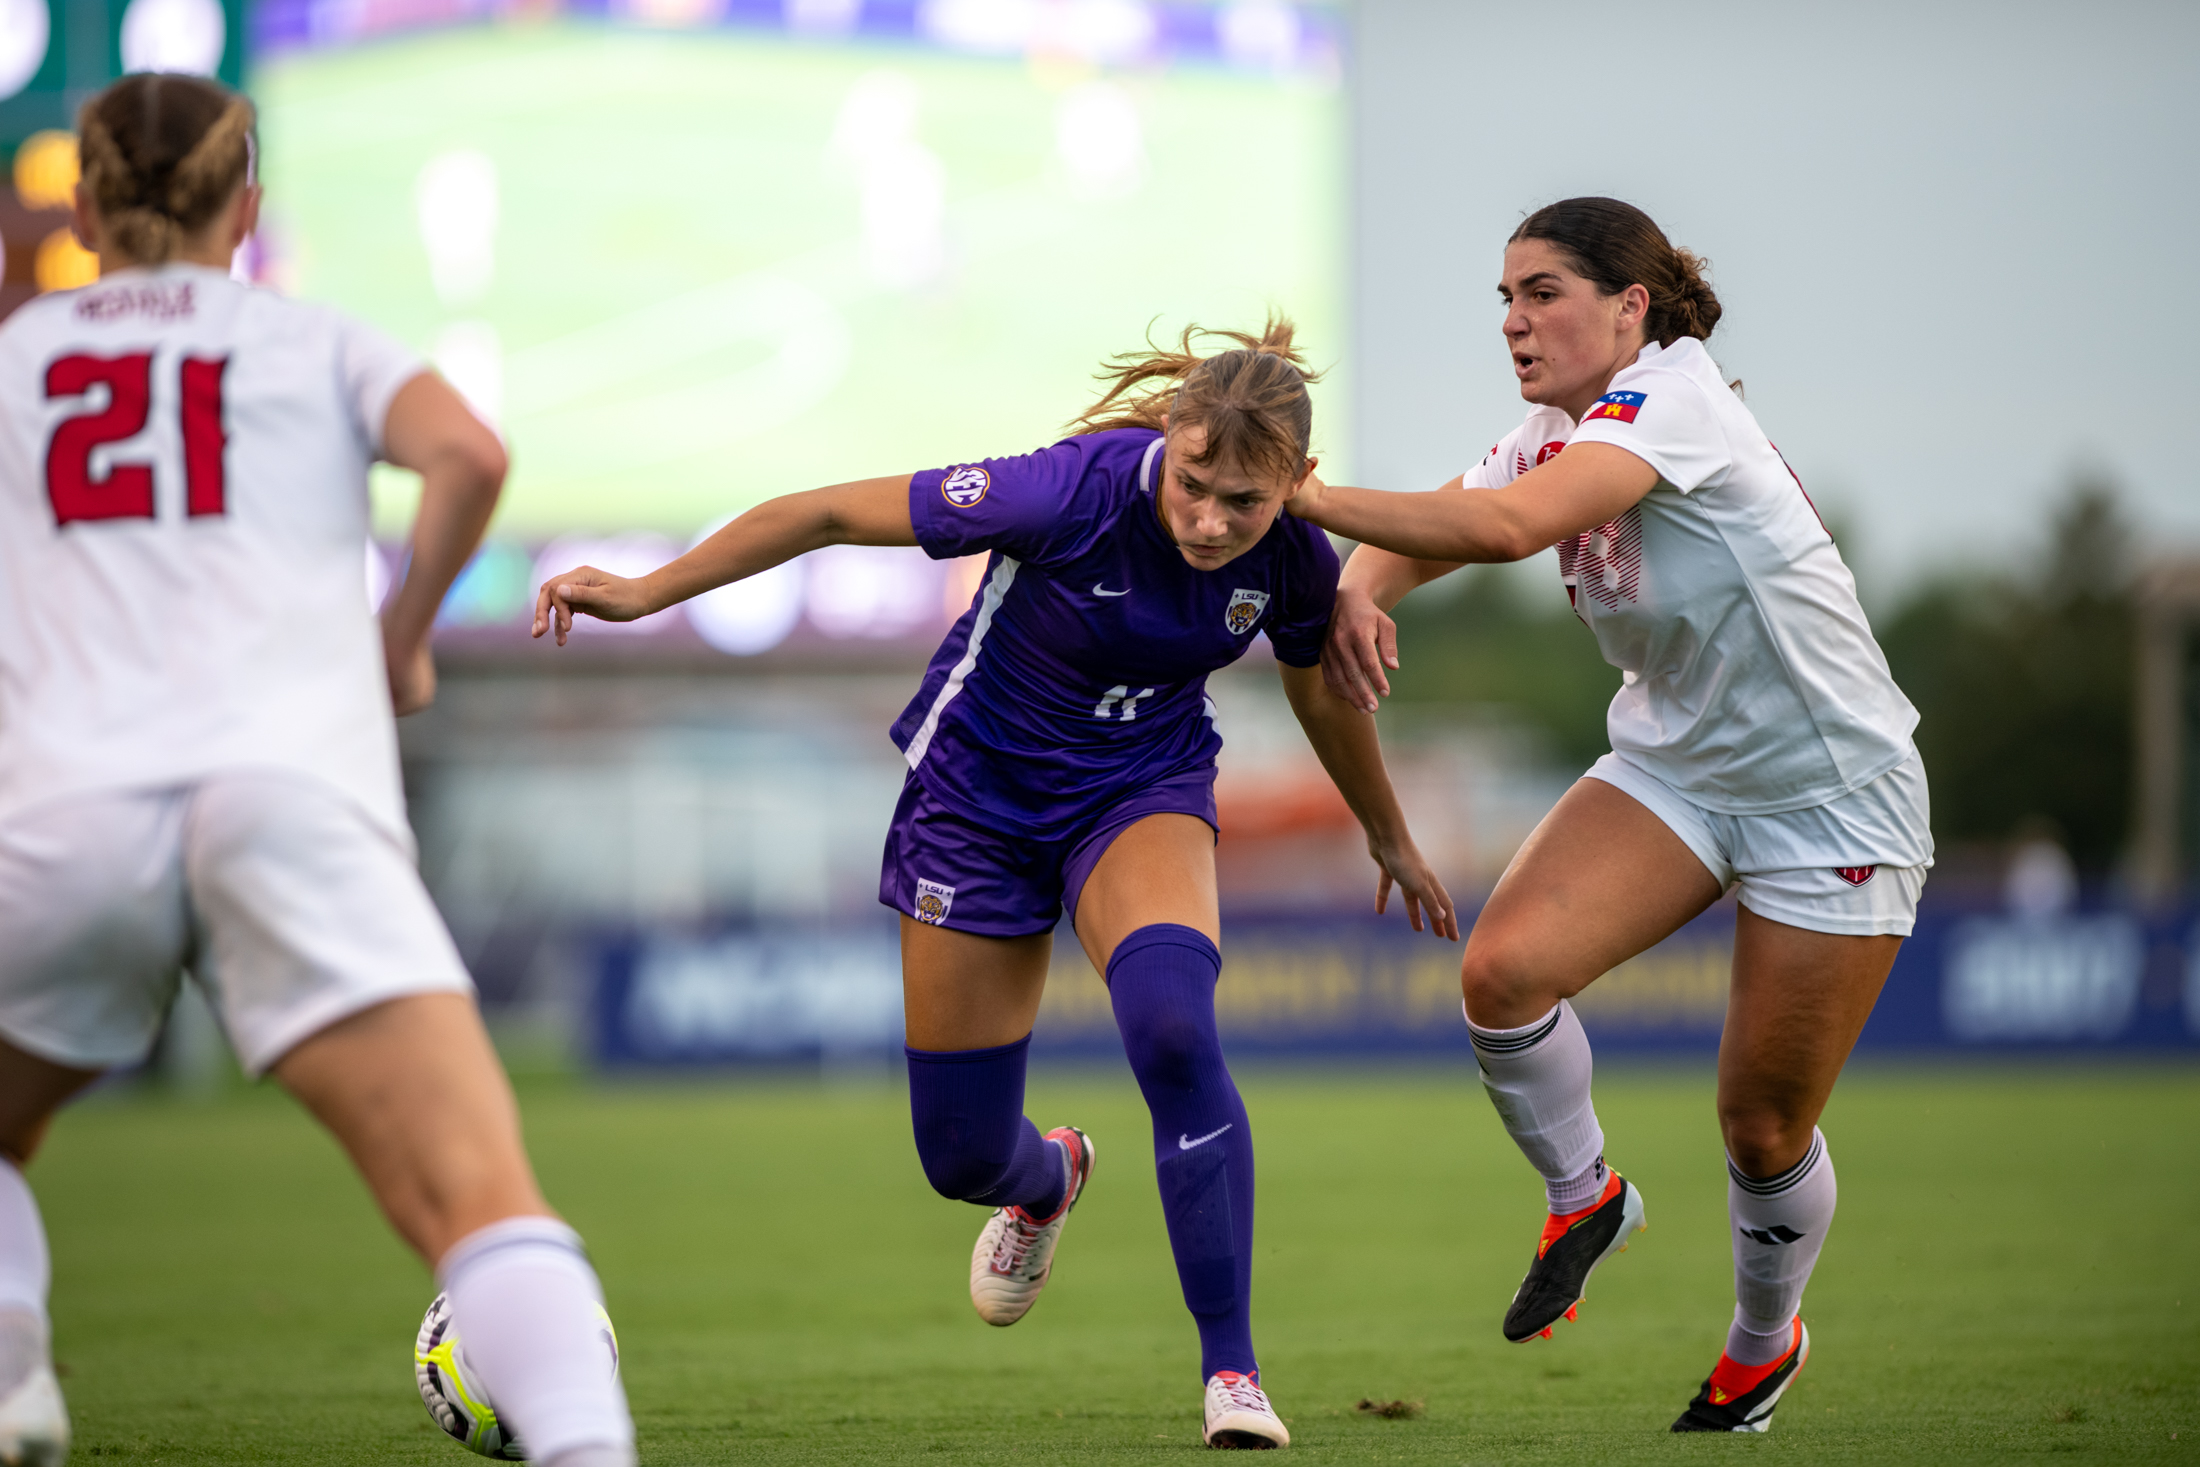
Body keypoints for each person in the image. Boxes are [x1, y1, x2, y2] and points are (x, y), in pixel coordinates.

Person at [534, 321, 1458, 1448]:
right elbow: (825, 513)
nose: (1213, 521)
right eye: (1197, 486)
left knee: (1173, 1030)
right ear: (1169, 436)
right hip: (974, 808)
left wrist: (1386, 831)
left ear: (1297, 489)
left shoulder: (1295, 557)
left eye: (1246, 504)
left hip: (1140, 792)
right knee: (962, 1156)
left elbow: (1320, 694)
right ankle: (1050, 1176)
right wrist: (647, 591)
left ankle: (1233, 1374)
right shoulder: (1061, 492)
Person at [0, 75, 635, 1466]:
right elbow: (467, 452)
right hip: (288, 793)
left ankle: (12, 1371)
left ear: (86, 206)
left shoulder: (17, 357)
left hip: (62, 808)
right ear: (250, 205)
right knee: (481, 1198)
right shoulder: (316, 341)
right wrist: (398, 637)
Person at [1288, 197, 1930, 1434]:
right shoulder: (1555, 425)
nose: (1515, 322)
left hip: (1830, 790)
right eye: (1505, 300)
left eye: (1542, 293)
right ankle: (1585, 1197)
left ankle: (1759, 1342)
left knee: (1760, 1123)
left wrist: (1305, 504)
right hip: (1678, 767)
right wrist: (1363, 589)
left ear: (1630, 308)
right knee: (1503, 972)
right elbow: (1441, 525)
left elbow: (1505, 528)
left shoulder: (1670, 401)